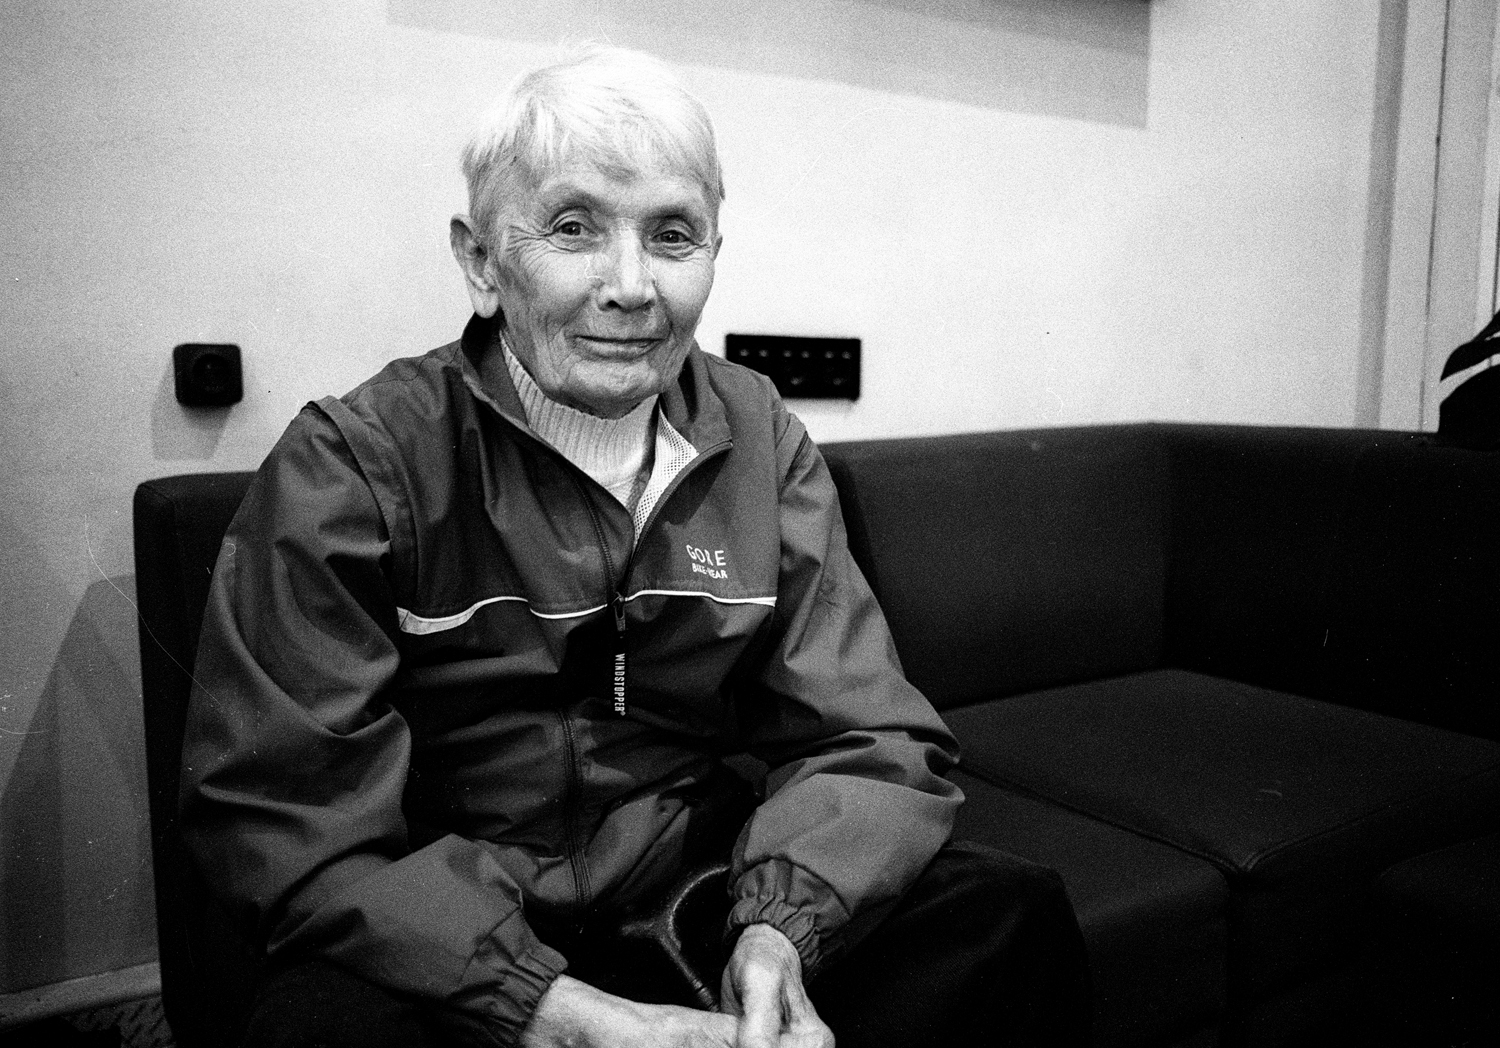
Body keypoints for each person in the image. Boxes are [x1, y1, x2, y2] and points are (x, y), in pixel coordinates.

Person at [179, 44, 1091, 1048]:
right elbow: (288, 812)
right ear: (482, 262)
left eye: (671, 235)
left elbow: (866, 734)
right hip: (455, 919)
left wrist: (779, 935)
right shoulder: (354, 462)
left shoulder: (759, 436)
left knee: (1009, 915)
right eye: (573, 228)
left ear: (714, 252)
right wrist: (550, 1012)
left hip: (696, 886)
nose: (631, 285)